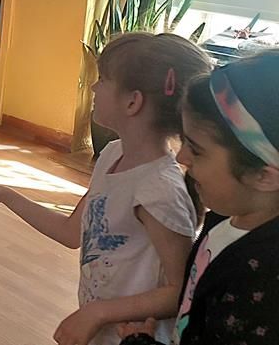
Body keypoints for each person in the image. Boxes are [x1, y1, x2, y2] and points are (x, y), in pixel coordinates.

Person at [0, 33, 211, 345]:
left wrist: (98, 312)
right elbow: (71, 232)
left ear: (133, 102)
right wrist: (7, 196)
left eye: (103, 79)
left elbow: (181, 292)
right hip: (97, 330)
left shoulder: (159, 190)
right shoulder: (112, 155)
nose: (94, 87)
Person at [119, 49, 279, 345]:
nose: (181, 157)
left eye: (196, 149)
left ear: (264, 176)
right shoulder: (224, 215)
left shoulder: (263, 285)